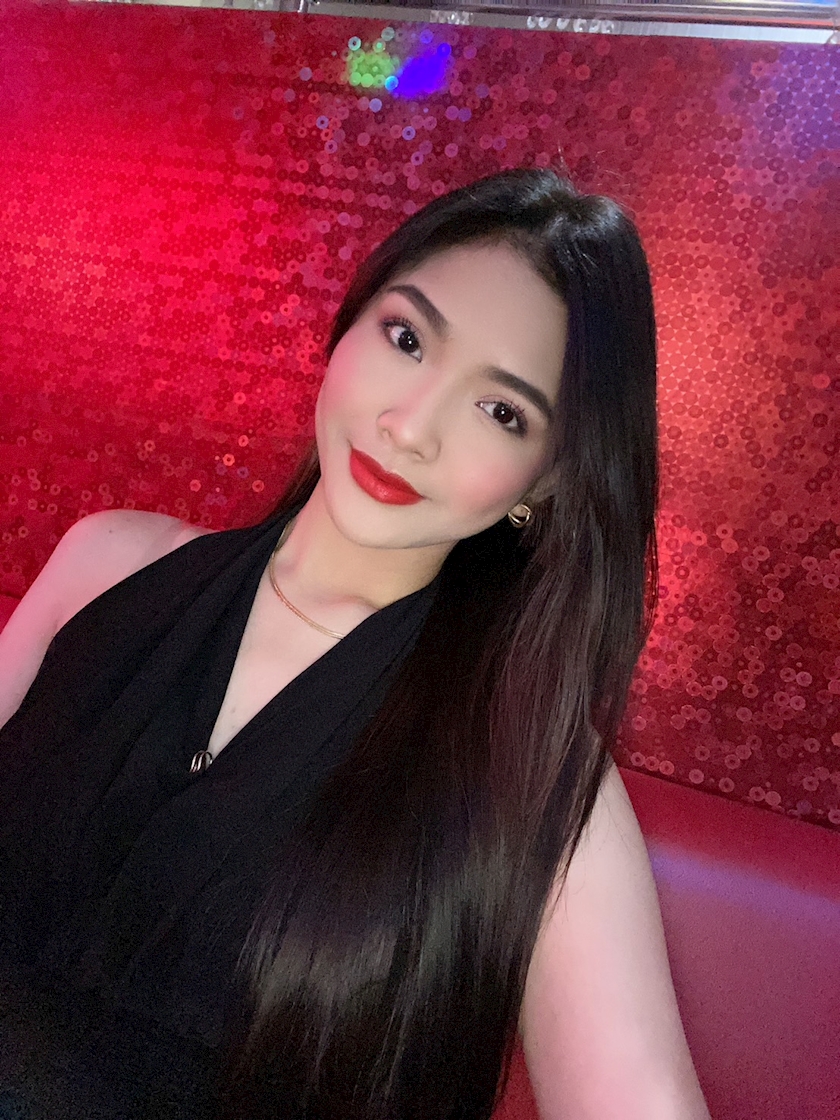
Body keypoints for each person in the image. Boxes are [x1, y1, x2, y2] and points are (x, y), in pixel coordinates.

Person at [0, 169, 711, 1120]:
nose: (409, 428)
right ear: (347, 328)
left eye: (502, 411)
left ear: (546, 481)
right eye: (407, 338)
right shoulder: (104, 563)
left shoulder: (532, 770)